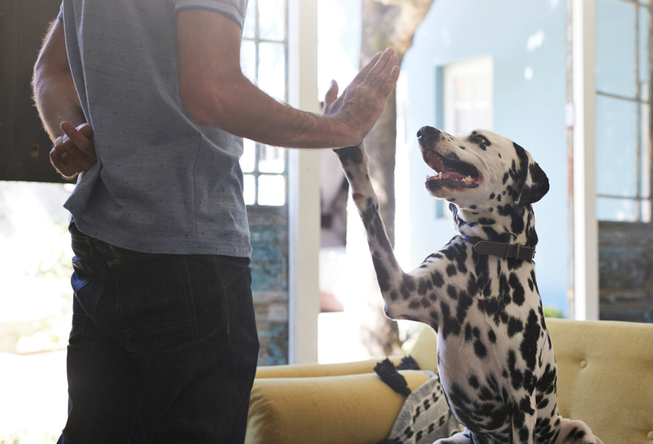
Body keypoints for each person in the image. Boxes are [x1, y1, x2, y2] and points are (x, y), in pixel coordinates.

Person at [32, 0, 398, 442]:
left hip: (101, 245)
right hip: (187, 254)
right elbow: (213, 91)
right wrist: (339, 128)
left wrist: (69, 133)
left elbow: (52, 69)